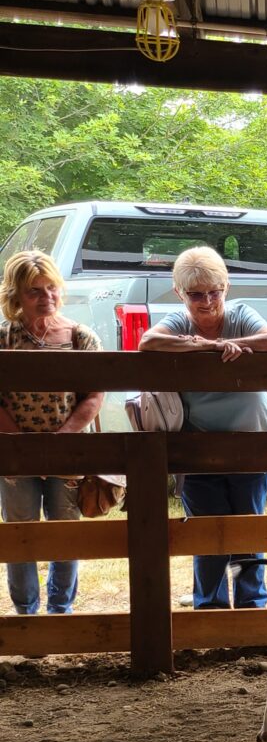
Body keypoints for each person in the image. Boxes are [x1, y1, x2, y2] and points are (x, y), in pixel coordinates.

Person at [138, 247, 267, 609]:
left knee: (248, 526)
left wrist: (224, 345)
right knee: (205, 532)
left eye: (214, 291)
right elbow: (147, 341)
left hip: (252, 440)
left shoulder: (242, 314)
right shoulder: (178, 322)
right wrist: (201, 346)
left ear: (226, 287)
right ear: (179, 293)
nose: (206, 301)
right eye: (196, 294)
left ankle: (252, 605)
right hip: (199, 445)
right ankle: (210, 608)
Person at [0, 250, 105, 615]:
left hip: (68, 451)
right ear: (15, 296)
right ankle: (26, 613)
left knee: (65, 533)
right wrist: (25, 446)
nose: (47, 298)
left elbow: (94, 395)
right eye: (34, 291)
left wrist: (62, 441)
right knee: (21, 534)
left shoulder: (80, 336)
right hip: (16, 452)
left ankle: (61, 611)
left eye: (52, 288)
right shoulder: (3, 339)